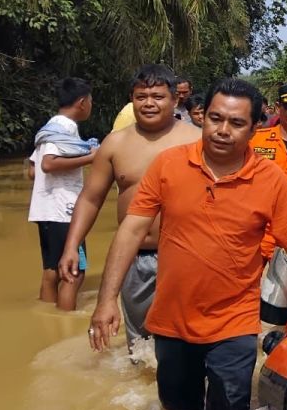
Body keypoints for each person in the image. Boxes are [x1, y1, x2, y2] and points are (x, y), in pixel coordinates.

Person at [87, 78, 287, 410]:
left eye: (237, 123)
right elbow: (131, 230)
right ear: (202, 118)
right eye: (215, 118)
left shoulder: (270, 179)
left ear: (254, 128)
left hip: (233, 322)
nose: (223, 130)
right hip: (171, 321)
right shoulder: (168, 165)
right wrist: (106, 302)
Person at [59, 65, 200, 347]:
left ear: (175, 99)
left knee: (187, 343)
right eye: (141, 96)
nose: (149, 103)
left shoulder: (198, 140)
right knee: (140, 345)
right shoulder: (115, 143)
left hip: (188, 256)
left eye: (158, 96)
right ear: (131, 99)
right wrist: (71, 246)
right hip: (134, 259)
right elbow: (90, 198)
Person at [28, 77, 98, 310]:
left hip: (44, 210)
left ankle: (48, 317)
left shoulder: (46, 131)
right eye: (90, 101)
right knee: (75, 271)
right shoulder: (63, 129)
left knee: (52, 269)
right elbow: (48, 164)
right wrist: (91, 157)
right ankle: (64, 322)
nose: (91, 105)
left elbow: (32, 171)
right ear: (81, 102)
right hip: (64, 211)